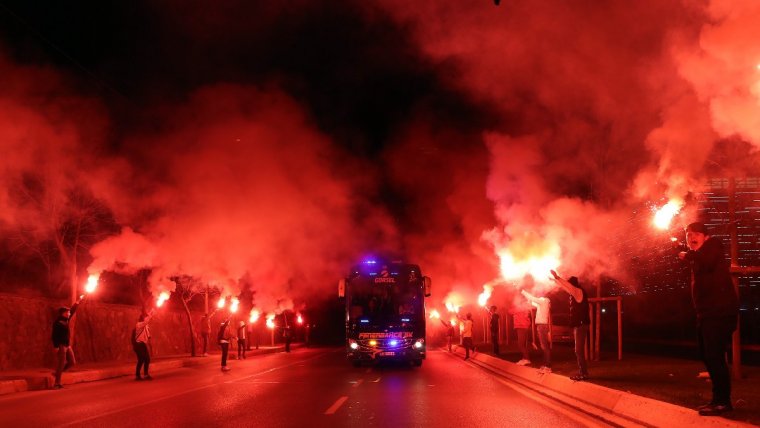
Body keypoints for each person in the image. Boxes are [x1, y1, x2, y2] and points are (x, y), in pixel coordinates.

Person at [678, 222, 739, 416]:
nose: (692, 238)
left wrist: (687, 255)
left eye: (696, 234)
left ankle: (722, 402)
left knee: (714, 355)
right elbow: (701, 263)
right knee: (706, 355)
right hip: (706, 314)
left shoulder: (714, 246)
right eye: (688, 236)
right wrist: (688, 254)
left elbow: (708, 261)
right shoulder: (698, 257)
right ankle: (718, 399)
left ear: (706, 237)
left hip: (719, 313)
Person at [551, 270, 589, 381]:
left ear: (573, 284)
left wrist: (557, 277)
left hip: (581, 325)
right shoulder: (575, 292)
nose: (569, 287)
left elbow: (568, 286)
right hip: (580, 325)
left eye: (569, 284)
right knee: (578, 350)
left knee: (578, 350)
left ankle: (583, 373)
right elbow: (566, 288)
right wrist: (555, 281)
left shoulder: (578, 292)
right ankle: (583, 372)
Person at [51, 295, 86, 389]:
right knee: (61, 364)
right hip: (61, 346)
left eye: (69, 312)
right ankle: (56, 383)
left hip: (67, 345)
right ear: (63, 313)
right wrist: (56, 347)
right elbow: (54, 335)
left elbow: (73, 310)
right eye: (67, 312)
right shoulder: (58, 323)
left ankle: (57, 373)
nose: (69, 313)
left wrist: (78, 301)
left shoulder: (66, 320)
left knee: (72, 362)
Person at [522, 289, 552, 373]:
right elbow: (532, 302)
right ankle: (545, 364)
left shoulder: (544, 301)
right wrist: (529, 300)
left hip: (542, 326)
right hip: (541, 325)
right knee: (543, 346)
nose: (538, 293)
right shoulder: (541, 302)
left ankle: (548, 367)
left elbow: (533, 298)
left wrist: (523, 291)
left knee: (545, 346)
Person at [133, 309, 155, 381]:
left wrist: (151, 345)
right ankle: (138, 375)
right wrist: (150, 314)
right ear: (142, 319)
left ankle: (144, 375)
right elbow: (146, 321)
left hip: (143, 344)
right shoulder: (139, 325)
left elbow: (148, 335)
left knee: (145, 359)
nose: (146, 318)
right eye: (144, 317)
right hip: (138, 344)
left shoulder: (145, 326)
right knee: (142, 359)